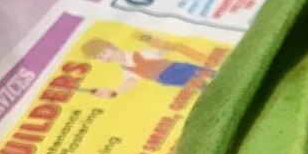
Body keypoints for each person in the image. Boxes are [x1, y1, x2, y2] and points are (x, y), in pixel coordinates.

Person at [79, 34, 217, 99]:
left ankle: (216, 78)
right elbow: (130, 81)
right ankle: (214, 90)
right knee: (195, 83)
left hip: (174, 67)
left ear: (111, 46)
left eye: (104, 52)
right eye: (101, 57)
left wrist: (163, 45)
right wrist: (115, 92)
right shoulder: (126, 69)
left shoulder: (137, 54)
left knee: (202, 73)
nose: (106, 57)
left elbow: (158, 52)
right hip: (165, 77)